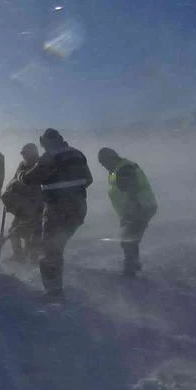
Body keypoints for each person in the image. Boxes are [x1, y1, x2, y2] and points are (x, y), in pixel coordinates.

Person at [21, 128, 93, 299]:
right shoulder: (77, 154)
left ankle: (53, 292)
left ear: (45, 141)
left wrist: (21, 175)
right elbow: (88, 179)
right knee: (56, 247)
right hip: (79, 209)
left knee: (49, 249)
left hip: (57, 210)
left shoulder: (50, 156)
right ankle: (55, 287)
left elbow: (30, 179)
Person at [97, 147, 158, 277]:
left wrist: (129, 214)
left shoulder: (124, 169)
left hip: (140, 207)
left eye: (103, 162)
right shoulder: (119, 168)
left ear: (110, 158)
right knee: (130, 237)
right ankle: (133, 264)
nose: (103, 166)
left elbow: (132, 191)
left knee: (128, 239)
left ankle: (130, 269)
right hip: (140, 207)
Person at [1, 143, 43, 263]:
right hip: (22, 204)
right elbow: (15, 179)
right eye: (22, 154)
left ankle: (31, 257)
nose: (23, 156)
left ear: (33, 153)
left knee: (32, 233)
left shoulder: (39, 165)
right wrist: (8, 190)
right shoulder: (22, 165)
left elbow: (36, 186)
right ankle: (18, 255)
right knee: (14, 230)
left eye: (25, 154)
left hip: (36, 205)